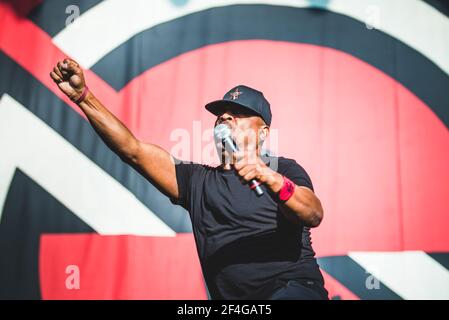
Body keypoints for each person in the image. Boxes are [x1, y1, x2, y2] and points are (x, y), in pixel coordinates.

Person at [50, 58, 329, 300]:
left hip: (293, 289)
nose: (225, 117)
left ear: (263, 133)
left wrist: (269, 177)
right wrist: (83, 97)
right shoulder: (197, 181)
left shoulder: (285, 170)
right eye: (221, 116)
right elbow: (132, 150)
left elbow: (313, 213)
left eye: (239, 114)